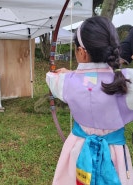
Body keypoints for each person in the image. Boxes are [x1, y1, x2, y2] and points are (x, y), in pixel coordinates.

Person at [46, 16, 133, 185]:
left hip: (78, 150)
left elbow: (50, 76)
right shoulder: (127, 82)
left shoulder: (65, 81)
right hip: (114, 153)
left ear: (82, 52)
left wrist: (68, 73)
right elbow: (99, 80)